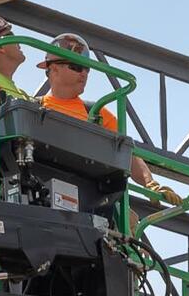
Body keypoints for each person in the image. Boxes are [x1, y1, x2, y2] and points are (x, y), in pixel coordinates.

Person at [38, 32, 157, 188]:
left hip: (89, 190)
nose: (84, 74)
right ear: (53, 69)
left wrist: (150, 182)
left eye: (87, 69)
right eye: (77, 66)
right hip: (44, 185)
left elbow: (128, 153)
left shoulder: (96, 113)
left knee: (127, 211)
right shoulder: (34, 107)